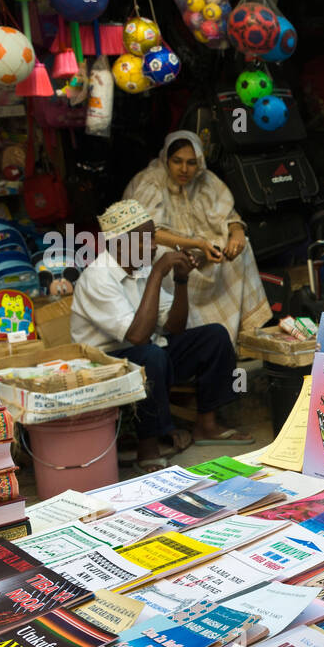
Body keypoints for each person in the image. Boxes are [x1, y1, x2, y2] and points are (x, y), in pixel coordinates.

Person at [71, 199, 252, 470]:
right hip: (106, 364)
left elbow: (174, 327)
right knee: (151, 355)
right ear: (119, 243)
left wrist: (180, 280)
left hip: (146, 352)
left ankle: (207, 424)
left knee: (213, 335)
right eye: (144, 240)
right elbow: (137, 337)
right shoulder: (97, 278)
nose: (154, 246)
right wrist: (158, 272)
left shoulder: (140, 268)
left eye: (152, 238)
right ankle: (148, 447)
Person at [123, 130, 271, 347]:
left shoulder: (207, 180)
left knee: (243, 248)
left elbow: (230, 218)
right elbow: (148, 232)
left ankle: (243, 337)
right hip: (173, 248)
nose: (184, 169)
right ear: (166, 159)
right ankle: (186, 337)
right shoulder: (151, 181)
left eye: (191, 163)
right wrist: (198, 245)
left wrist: (237, 234)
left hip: (206, 248)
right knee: (163, 257)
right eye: (177, 161)